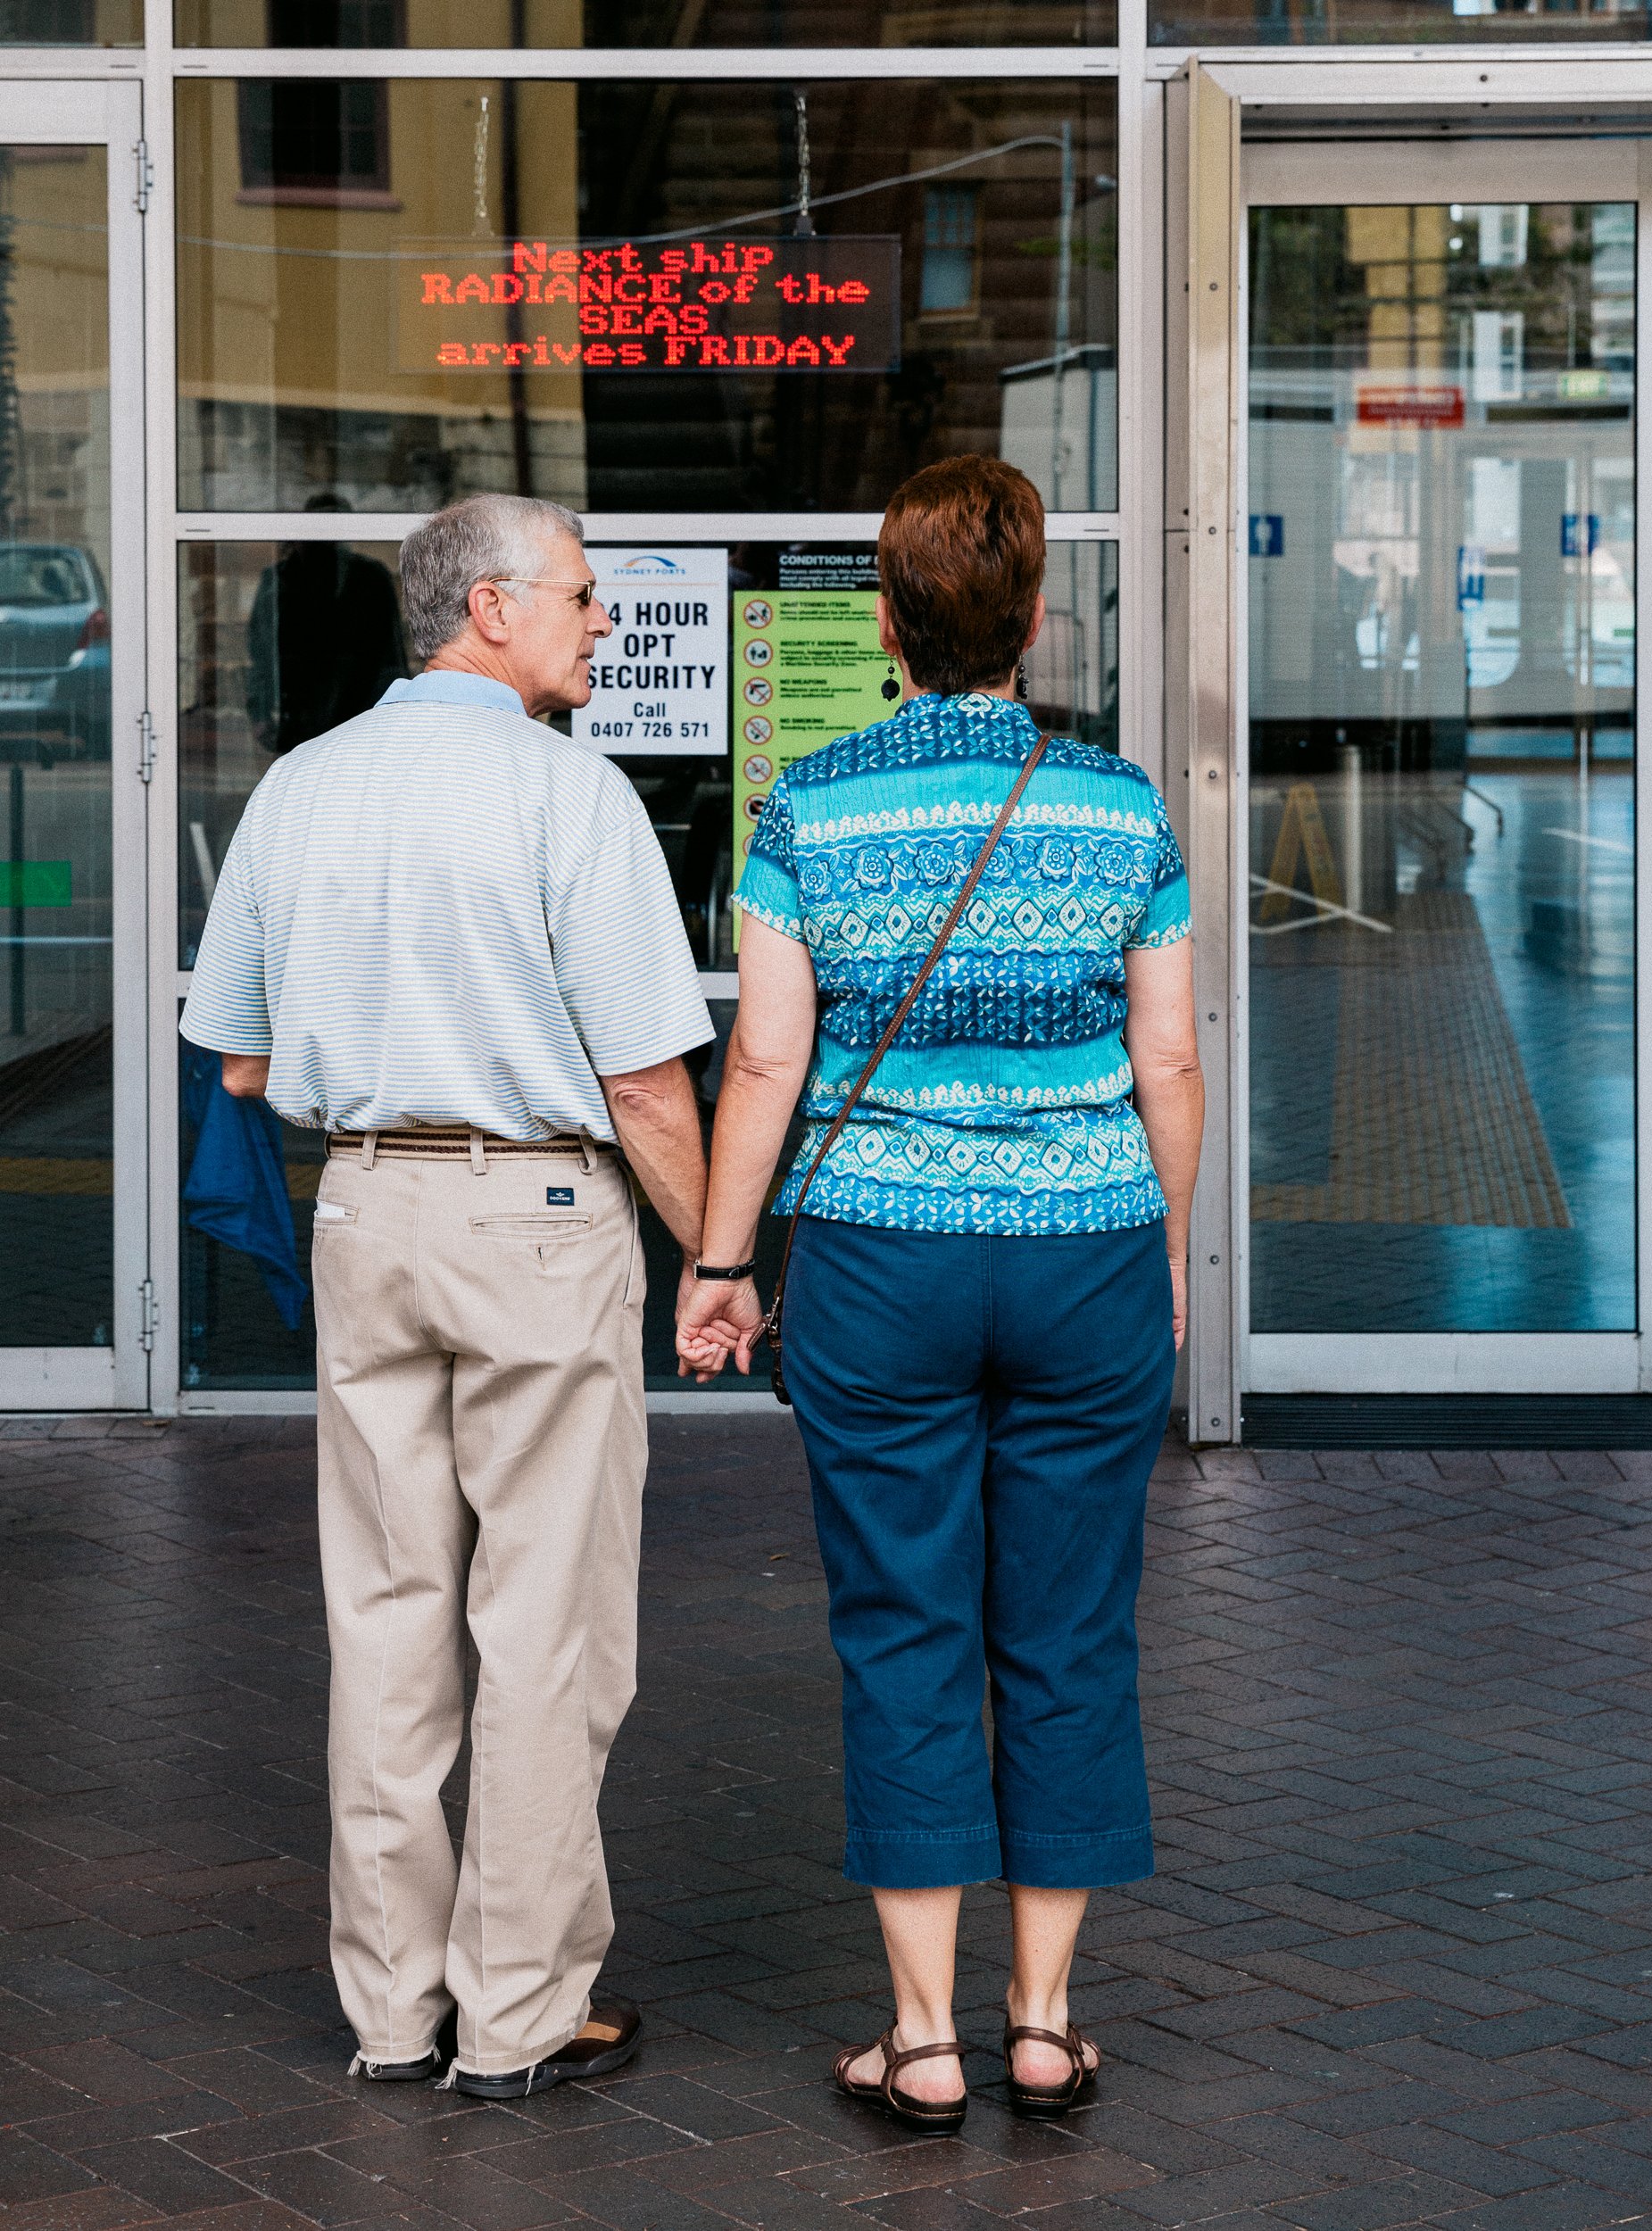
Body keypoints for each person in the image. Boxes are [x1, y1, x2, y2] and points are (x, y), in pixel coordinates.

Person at [677, 455, 1204, 2129]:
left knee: (906, 1629)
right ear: (1037, 620)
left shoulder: (810, 809)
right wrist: (1165, 1253)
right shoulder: (1122, 805)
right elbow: (1170, 1056)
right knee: (1067, 1631)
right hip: (1088, 1252)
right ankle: (1045, 2022)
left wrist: (717, 1261)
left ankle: (921, 2040)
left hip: (882, 1261)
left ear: (887, 623)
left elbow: (766, 1055)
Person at [180, 493, 716, 2101]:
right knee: (545, 1633)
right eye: (583, 598)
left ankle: (391, 2014)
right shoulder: (574, 796)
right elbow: (644, 1084)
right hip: (540, 1214)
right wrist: (720, 1261)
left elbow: (243, 1050)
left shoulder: (300, 786)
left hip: (364, 1203)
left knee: (389, 1619)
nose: (603, 623)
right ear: (488, 607)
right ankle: (520, 2015)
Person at [246, 494, 409, 755]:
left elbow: (392, 654)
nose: (328, 541)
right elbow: (260, 653)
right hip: (297, 713)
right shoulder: (279, 579)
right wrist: (260, 712)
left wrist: (395, 713)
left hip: (361, 710)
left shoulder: (372, 577)